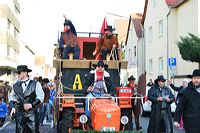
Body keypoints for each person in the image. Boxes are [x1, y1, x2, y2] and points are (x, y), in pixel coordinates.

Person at [9, 65, 44, 133]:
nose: (17, 75)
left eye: (19, 73)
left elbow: (41, 97)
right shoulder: (15, 85)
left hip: (32, 115)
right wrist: (13, 107)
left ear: (25, 73)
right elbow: (12, 97)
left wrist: (31, 105)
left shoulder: (36, 83)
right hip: (20, 116)